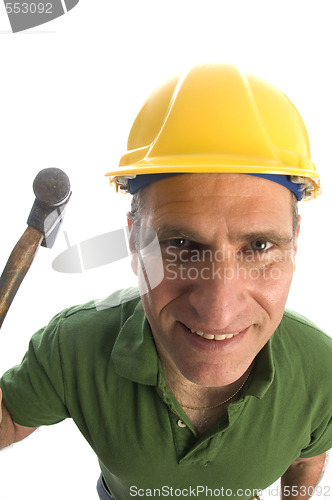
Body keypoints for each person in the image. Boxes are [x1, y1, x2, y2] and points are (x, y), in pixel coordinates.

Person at [0, 64, 331, 500]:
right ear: (134, 245)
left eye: (259, 247)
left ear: (294, 246)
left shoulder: (321, 371)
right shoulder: (71, 346)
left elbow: (308, 456)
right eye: (180, 243)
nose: (220, 309)